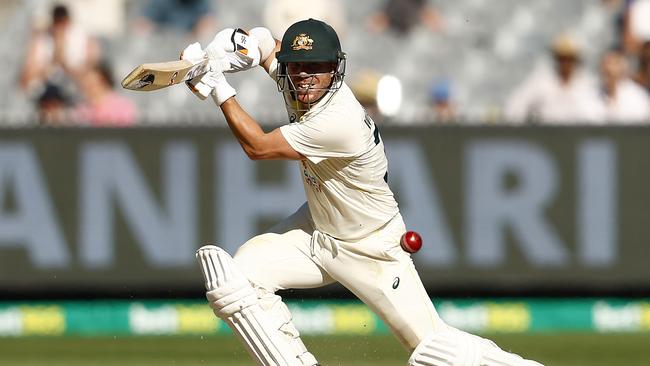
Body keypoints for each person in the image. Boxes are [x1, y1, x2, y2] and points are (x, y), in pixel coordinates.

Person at [184, 19, 543, 365]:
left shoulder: (338, 119)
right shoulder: (300, 81)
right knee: (237, 278)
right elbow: (267, 47)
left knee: (435, 350)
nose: (306, 76)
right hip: (315, 233)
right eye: (297, 67)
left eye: (317, 67)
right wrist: (239, 45)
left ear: (334, 71)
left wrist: (218, 86)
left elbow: (258, 148)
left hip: (371, 246)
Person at [504, 33, 605, 124]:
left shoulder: (587, 84)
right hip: (547, 135)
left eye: (569, 58)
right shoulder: (542, 81)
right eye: (562, 58)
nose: (566, 63)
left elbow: (597, 115)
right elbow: (516, 105)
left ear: (576, 59)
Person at [74, 62, 137, 126]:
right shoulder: (81, 109)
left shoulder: (123, 106)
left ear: (104, 81)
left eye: (92, 84)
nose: (88, 88)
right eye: (85, 84)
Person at [600, 49, 650, 123]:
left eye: (614, 64)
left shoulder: (639, 97)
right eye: (606, 72)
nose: (609, 69)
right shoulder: (590, 95)